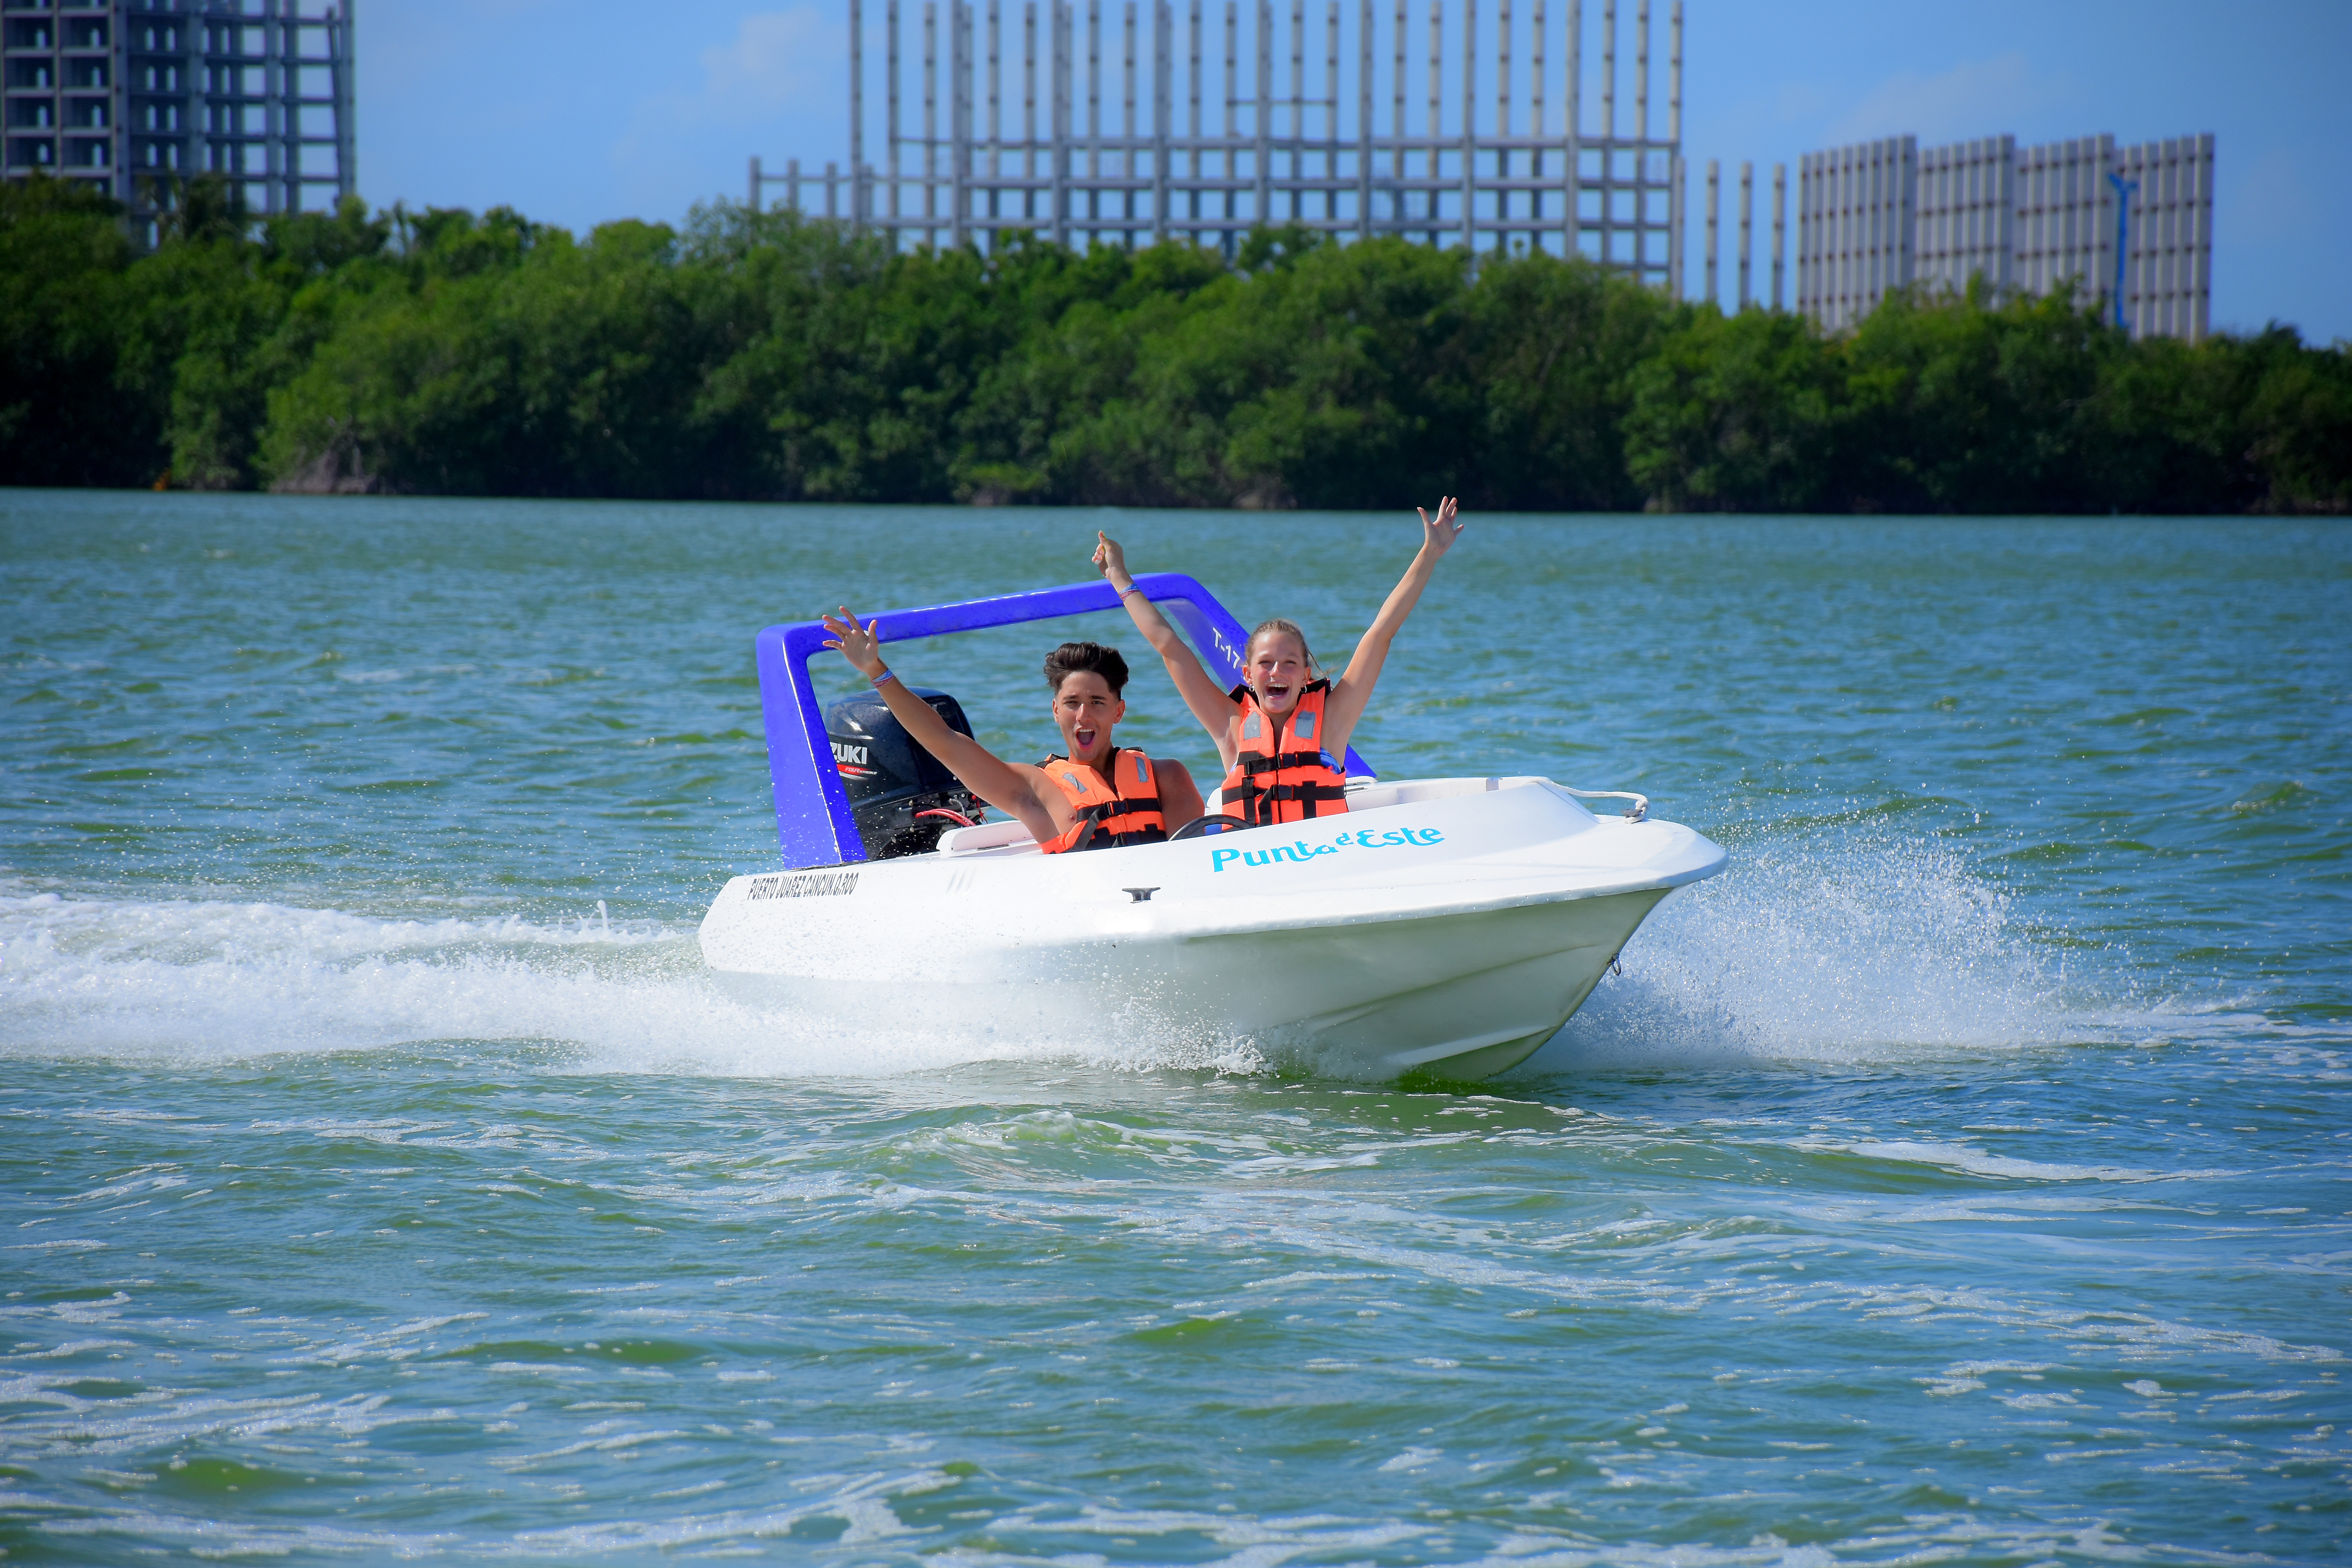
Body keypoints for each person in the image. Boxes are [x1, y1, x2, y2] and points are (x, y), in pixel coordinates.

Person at [1092, 498, 1463, 827]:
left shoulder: (1332, 722)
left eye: (1289, 663)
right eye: (1266, 663)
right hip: (1252, 866)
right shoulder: (1230, 725)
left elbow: (1380, 634)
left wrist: (1430, 554)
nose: (1277, 672)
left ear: (1305, 676)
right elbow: (1169, 646)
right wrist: (1119, 576)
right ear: (1248, 675)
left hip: (1323, 862)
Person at [820, 611, 1205, 854]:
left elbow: (1192, 864)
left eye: (1097, 702)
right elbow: (944, 742)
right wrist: (876, 671)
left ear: (1118, 711)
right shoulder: (1034, 790)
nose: (1083, 714)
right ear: (1056, 711)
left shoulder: (1167, 778)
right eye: (1072, 702)